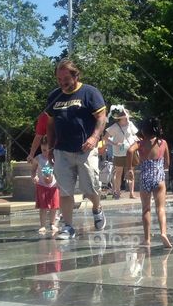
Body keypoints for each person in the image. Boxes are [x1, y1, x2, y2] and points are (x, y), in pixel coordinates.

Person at [44, 59, 108, 240]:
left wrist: (95, 137)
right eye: (58, 79)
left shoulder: (89, 92)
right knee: (65, 191)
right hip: (62, 150)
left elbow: (101, 117)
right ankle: (68, 226)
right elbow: (49, 123)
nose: (62, 82)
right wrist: (50, 146)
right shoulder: (54, 96)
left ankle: (97, 208)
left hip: (85, 150)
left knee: (90, 188)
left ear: (76, 76)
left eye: (65, 78)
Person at [136, 117, 172, 248]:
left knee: (146, 209)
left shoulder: (140, 144)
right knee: (161, 208)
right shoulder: (163, 143)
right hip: (159, 178)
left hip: (145, 177)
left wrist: (129, 168)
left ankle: (147, 239)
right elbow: (167, 163)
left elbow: (129, 151)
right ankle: (163, 233)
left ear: (143, 130)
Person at [104, 106, 138, 199]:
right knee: (118, 172)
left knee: (131, 172)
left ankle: (131, 193)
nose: (127, 118)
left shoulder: (130, 124)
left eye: (127, 116)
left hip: (130, 152)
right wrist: (114, 143)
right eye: (126, 116)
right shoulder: (114, 127)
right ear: (121, 117)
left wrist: (136, 142)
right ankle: (117, 193)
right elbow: (105, 138)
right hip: (119, 153)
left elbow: (135, 135)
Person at [29, 136, 59, 235]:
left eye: (48, 150)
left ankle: (52, 223)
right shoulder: (38, 158)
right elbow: (33, 170)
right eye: (43, 150)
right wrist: (34, 177)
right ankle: (42, 225)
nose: (46, 152)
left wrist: (55, 178)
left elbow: (59, 170)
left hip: (54, 185)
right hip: (42, 185)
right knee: (43, 207)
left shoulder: (55, 158)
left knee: (54, 206)